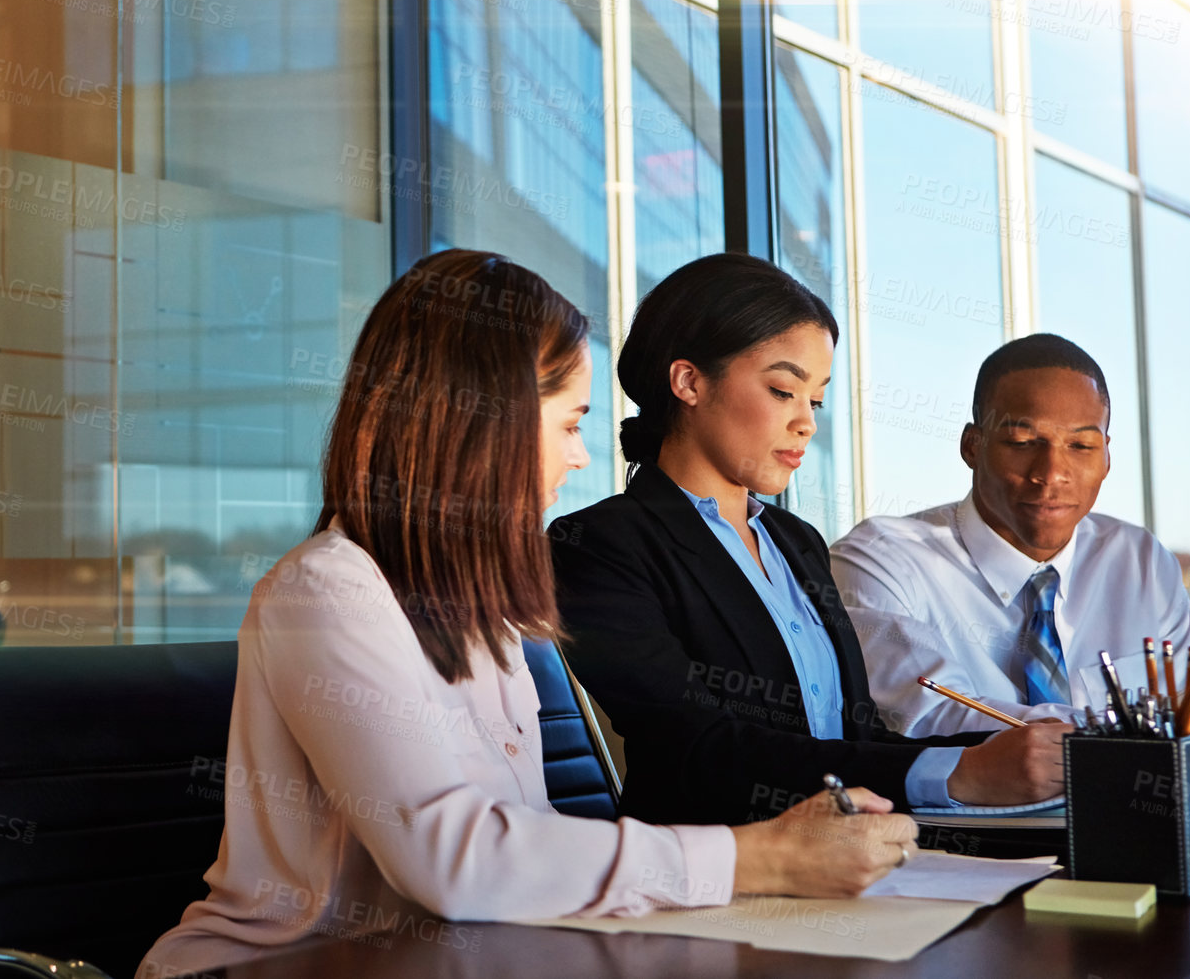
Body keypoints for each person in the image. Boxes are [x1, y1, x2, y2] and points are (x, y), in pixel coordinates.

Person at [138, 251, 919, 978]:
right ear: (484, 419)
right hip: (282, 965)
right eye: (571, 424)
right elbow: (452, 859)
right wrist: (762, 858)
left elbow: (515, 848)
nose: (582, 457)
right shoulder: (328, 591)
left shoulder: (484, 608)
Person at [550, 254, 1068, 830]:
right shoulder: (597, 545)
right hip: (714, 883)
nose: (807, 424)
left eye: (815, 400)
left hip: (850, 864)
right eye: (782, 391)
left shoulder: (796, 541)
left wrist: (1005, 756)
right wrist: (956, 774)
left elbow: (853, 737)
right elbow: (696, 750)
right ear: (689, 381)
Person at [831, 334, 1190, 738]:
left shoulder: (1140, 560)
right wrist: (1121, 736)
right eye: (1023, 442)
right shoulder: (882, 561)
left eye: (1081, 445)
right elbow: (925, 716)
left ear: (1107, 455)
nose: (1051, 472)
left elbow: (1188, 720)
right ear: (972, 446)